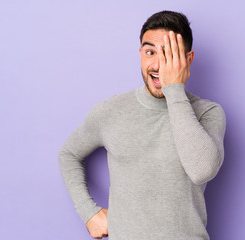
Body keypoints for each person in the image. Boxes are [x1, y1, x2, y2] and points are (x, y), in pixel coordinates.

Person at [58, 10, 226, 240]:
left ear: (187, 59)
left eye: (169, 55)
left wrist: (174, 89)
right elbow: (68, 153)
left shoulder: (208, 112)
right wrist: (88, 212)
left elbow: (202, 170)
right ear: (140, 54)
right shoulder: (110, 111)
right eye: (150, 52)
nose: (158, 65)